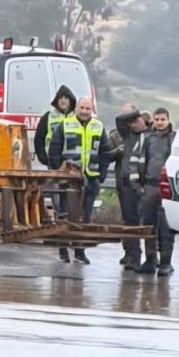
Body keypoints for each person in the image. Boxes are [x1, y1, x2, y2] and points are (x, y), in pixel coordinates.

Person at [49, 96, 112, 264]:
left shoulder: (99, 127)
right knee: (64, 215)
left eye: (88, 108)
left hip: (90, 178)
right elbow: (54, 150)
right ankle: (63, 250)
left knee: (85, 217)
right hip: (68, 179)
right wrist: (58, 171)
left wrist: (102, 174)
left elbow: (105, 153)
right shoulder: (65, 125)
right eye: (82, 108)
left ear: (92, 110)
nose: (84, 111)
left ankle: (80, 251)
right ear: (76, 108)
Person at [134, 107, 176, 276]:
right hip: (149, 186)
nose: (159, 122)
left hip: (167, 188)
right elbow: (139, 161)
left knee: (166, 227)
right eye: (157, 119)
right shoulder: (148, 139)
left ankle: (166, 263)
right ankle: (150, 261)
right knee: (148, 225)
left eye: (162, 119)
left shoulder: (174, 139)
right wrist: (139, 185)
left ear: (168, 120)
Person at [107, 105, 149, 270]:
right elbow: (119, 120)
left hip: (144, 184)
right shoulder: (127, 135)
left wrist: (144, 118)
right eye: (131, 121)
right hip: (126, 183)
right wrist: (136, 114)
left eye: (136, 120)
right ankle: (133, 255)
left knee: (146, 222)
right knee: (130, 221)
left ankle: (151, 258)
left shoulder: (150, 135)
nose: (134, 123)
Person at [34, 86, 76, 167]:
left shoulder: (77, 117)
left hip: (73, 163)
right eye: (60, 98)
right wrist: (44, 158)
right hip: (53, 162)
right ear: (57, 100)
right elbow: (39, 139)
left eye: (66, 98)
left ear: (71, 100)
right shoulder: (48, 116)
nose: (63, 100)